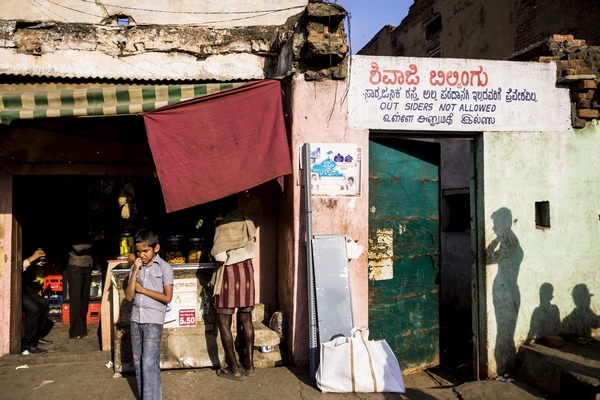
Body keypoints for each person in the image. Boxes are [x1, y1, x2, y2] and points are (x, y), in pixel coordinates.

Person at [210, 195, 257, 381]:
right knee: (247, 320)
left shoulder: (222, 227)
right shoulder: (248, 222)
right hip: (247, 273)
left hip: (229, 274)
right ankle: (250, 364)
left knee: (224, 322)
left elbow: (220, 257)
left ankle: (233, 368)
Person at [126, 229, 173, 400]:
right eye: (138, 251)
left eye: (145, 251)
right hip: (135, 319)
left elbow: (167, 297)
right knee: (138, 363)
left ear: (156, 248)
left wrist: (143, 290)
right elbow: (129, 296)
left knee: (149, 363)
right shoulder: (136, 267)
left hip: (153, 320)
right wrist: (135, 271)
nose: (142, 255)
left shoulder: (165, 268)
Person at [66, 214, 105, 340]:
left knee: (83, 300)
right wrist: (95, 239)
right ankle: (76, 331)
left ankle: (81, 328)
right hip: (76, 267)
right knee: (76, 300)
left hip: (85, 266)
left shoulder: (84, 231)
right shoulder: (74, 231)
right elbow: (78, 247)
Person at [21, 249, 52, 355]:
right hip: (12, 288)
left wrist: (34, 262)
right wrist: (31, 259)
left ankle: (37, 336)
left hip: (23, 286)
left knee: (43, 304)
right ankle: (28, 345)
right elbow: (12, 268)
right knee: (33, 310)